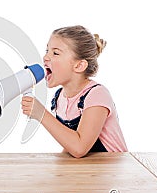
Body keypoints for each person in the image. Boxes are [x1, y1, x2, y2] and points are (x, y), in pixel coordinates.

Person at [21, 25, 127, 158]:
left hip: (115, 172)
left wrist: (41, 114)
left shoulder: (97, 94)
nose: (45, 57)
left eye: (55, 53)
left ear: (79, 65)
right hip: (92, 170)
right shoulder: (59, 97)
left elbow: (79, 147)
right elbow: (69, 144)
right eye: (47, 50)